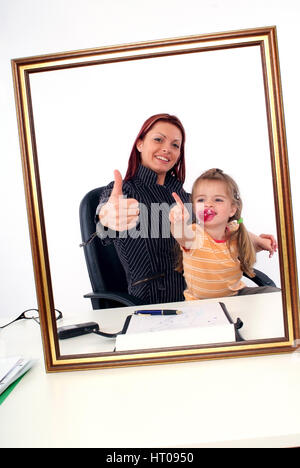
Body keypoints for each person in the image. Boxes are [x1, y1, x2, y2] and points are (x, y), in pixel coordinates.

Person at [96, 114, 277, 305]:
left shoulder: (186, 197)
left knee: (280, 301)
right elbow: (104, 224)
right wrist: (108, 218)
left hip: (210, 295)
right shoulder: (124, 191)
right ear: (140, 144)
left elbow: (219, 228)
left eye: (175, 145)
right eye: (158, 139)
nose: (167, 148)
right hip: (160, 302)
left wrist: (258, 240)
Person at [169, 168, 280, 300]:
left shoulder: (234, 231)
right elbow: (181, 235)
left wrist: (262, 242)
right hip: (202, 305)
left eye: (218, 200)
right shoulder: (195, 234)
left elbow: (244, 234)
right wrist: (178, 222)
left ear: (232, 209)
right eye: (201, 200)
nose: (208, 204)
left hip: (236, 296)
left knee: (277, 295)